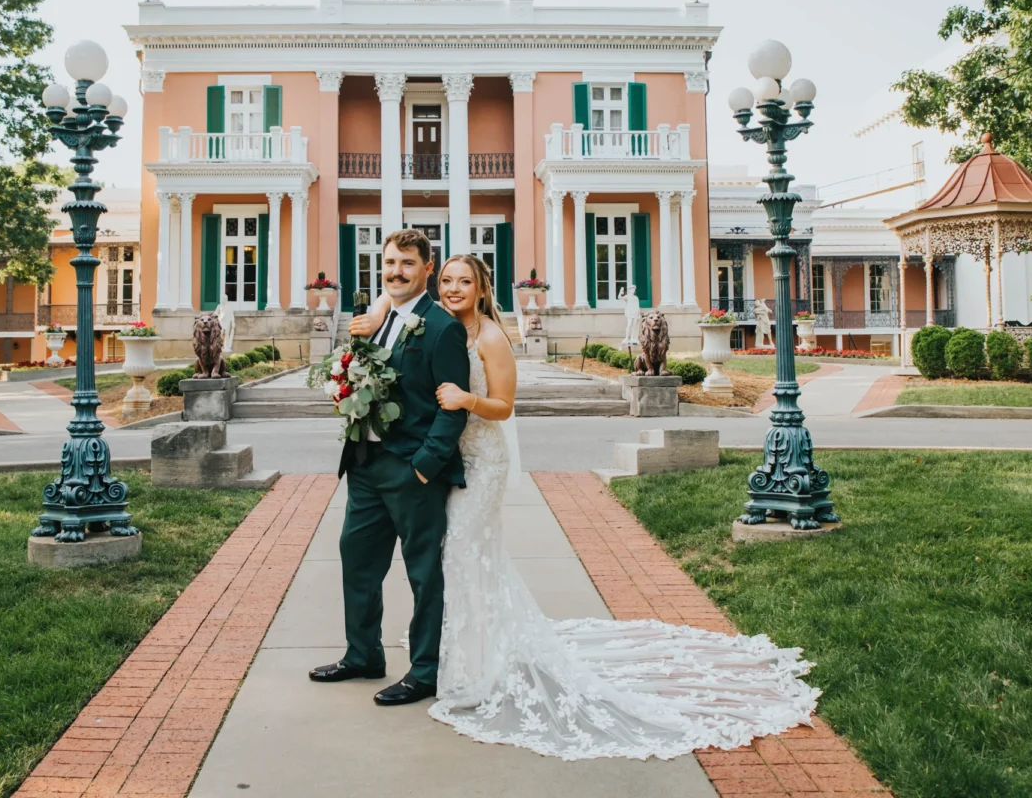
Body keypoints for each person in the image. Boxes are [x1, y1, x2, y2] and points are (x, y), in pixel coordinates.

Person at [352, 252, 820, 759]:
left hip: (482, 461)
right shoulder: (441, 327)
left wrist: (467, 401)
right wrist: (379, 314)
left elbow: (505, 406)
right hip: (454, 461)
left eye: (464, 280)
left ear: (482, 288)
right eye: (446, 280)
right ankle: (458, 651)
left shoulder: (488, 337)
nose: (453, 288)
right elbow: (396, 295)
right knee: (455, 561)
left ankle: (471, 665)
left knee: (464, 554)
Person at [308, 229, 471, 706]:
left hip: (412, 472)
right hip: (365, 464)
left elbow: (452, 408)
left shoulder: (442, 328)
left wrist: (424, 466)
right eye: (389, 262)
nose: (396, 271)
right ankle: (363, 654)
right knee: (357, 560)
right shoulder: (373, 321)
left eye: (407, 263)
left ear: (427, 270)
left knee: (423, 574)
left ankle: (426, 671)